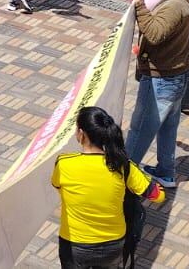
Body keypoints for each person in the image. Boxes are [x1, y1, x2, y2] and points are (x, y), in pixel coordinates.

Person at [51, 107, 167, 269]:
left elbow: (57, 185)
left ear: (81, 134)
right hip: (113, 244)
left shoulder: (64, 163)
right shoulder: (123, 166)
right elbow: (158, 196)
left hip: (74, 244)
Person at [125, 0, 189, 188]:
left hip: (162, 77)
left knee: (140, 129)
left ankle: (122, 177)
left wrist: (140, 6)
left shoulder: (175, 6)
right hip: (177, 74)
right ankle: (165, 172)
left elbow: (155, 34)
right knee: (167, 127)